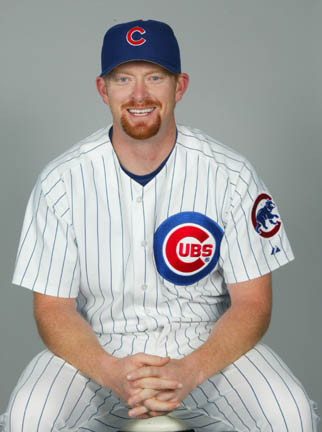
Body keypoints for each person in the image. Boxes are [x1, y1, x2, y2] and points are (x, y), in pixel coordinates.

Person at [0, 19, 319, 432]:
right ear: (103, 89)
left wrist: (192, 369)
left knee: (289, 416)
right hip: (99, 348)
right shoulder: (61, 180)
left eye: (155, 77)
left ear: (179, 86)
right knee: (29, 417)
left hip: (207, 348)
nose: (138, 95)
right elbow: (52, 308)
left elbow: (253, 303)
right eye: (122, 78)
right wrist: (108, 370)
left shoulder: (231, 174)